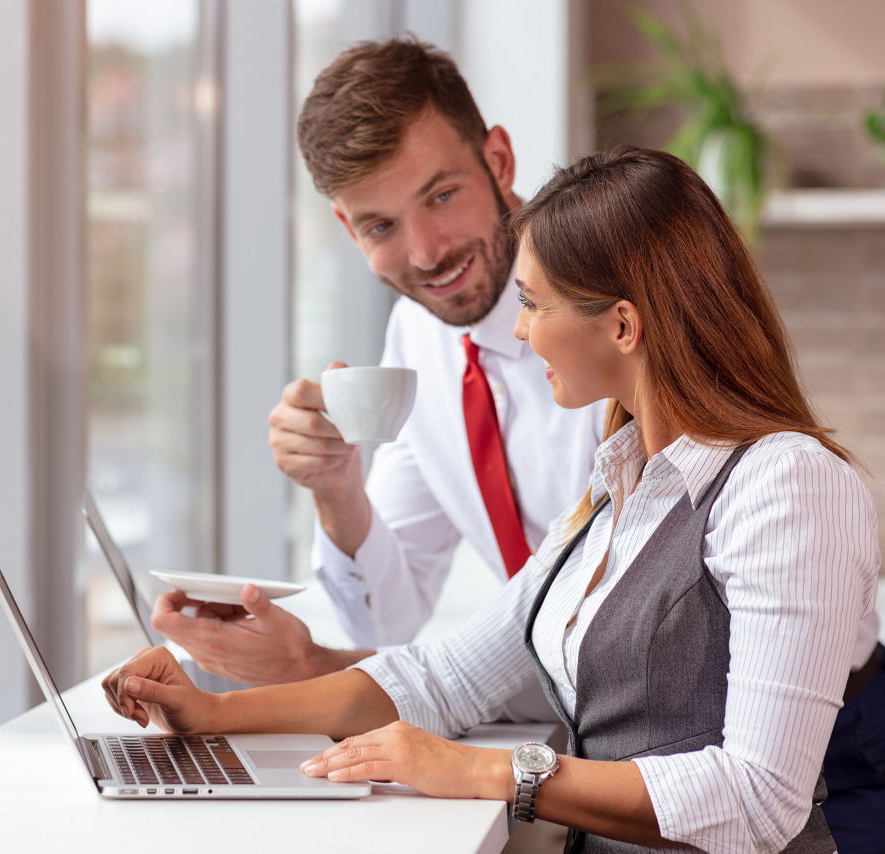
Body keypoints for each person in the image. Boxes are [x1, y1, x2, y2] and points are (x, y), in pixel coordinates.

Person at [106, 147, 882, 853]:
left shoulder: (786, 483)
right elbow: (442, 678)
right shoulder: (618, 483)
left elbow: (761, 798)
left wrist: (489, 771)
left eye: (535, 305)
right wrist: (210, 715)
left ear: (621, 325)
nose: (518, 327)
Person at [153, 38, 604, 722]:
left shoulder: (607, 307)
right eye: (380, 225)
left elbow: (615, 642)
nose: (426, 253)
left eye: (441, 195)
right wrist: (338, 489)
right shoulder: (417, 341)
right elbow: (384, 622)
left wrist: (310, 672)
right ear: (346, 226)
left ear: (499, 161)